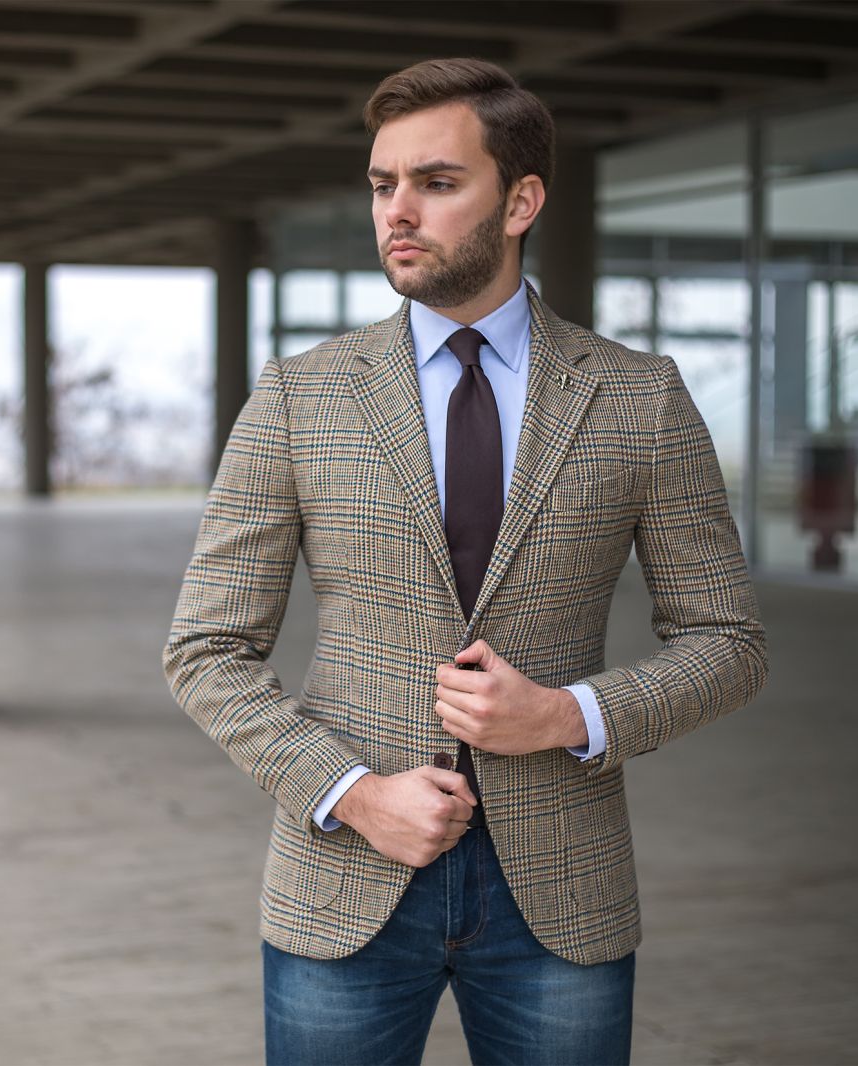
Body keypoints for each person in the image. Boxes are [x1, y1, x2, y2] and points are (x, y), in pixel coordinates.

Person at [163, 57, 768, 1066]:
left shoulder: (638, 398)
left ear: (521, 199)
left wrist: (568, 714)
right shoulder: (300, 396)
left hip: (561, 893)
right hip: (344, 877)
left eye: (436, 183)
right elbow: (205, 649)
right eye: (381, 184)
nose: (397, 211)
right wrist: (353, 791)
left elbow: (729, 642)